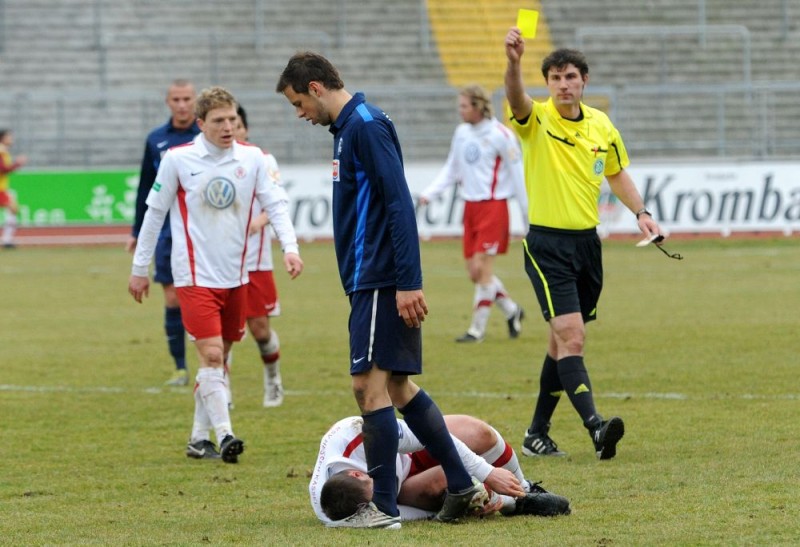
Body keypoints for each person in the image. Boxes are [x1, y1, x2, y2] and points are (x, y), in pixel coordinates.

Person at [276, 52, 487, 528]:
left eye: (296, 103)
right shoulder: (350, 129)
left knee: (367, 388)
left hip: (379, 277)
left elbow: (398, 204)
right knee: (396, 386)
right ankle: (460, 484)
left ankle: (385, 509)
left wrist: (407, 282)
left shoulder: (365, 126)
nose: (299, 115)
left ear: (314, 87)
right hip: (367, 278)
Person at [504, 28, 665, 460]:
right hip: (547, 246)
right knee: (572, 337)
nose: (562, 84)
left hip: (586, 246)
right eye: (554, 78)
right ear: (547, 84)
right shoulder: (536, 119)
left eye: (570, 76)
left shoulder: (602, 124)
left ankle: (536, 432)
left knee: (561, 343)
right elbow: (517, 100)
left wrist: (642, 213)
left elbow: (616, 173)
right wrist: (515, 62)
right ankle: (596, 427)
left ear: (584, 81)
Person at [128, 86, 304, 463]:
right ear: (201, 123)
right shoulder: (178, 160)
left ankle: (197, 438)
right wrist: (139, 269)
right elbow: (154, 215)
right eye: (219, 121)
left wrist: (290, 248)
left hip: (237, 276)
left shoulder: (253, 158)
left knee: (220, 357)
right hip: (193, 276)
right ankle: (225, 435)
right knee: (210, 355)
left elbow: (275, 204)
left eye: (232, 120)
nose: (227, 127)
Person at [310, 414, 571, 526]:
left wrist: (488, 473)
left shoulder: (362, 433)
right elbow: (392, 516)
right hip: (410, 490)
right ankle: (514, 505)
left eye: (378, 490)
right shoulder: (335, 510)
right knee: (456, 486)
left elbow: (433, 435)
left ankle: (524, 490)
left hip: (407, 453)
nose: (382, 494)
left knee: (479, 433)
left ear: (357, 473)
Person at [419, 85, 528, 343]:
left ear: (479, 107)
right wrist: (431, 193)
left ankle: (476, 330)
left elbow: (518, 177)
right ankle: (513, 311)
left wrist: (527, 221)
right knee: (473, 273)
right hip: (470, 209)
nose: (461, 111)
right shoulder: (462, 133)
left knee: (483, 269)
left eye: (464, 106)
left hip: (494, 207)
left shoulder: (502, 135)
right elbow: (451, 168)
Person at [126, 80, 201, 387]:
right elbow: (147, 188)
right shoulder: (156, 139)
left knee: (205, 297)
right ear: (168, 102)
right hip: (169, 232)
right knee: (172, 298)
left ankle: (212, 361)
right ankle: (181, 367)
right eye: (176, 99)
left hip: (203, 230)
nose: (182, 104)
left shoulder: (207, 135)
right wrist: (136, 231)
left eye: (187, 99)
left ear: (195, 101)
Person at [233, 105, 288, 408]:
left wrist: (260, 221)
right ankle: (220, 393)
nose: (232, 129)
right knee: (219, 334)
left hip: (255, 262)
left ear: (246, 129)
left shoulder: (263, 160)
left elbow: (277, 201)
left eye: (237, 124)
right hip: (219, 264)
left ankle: (273, 379)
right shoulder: (210, 161)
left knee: (260, 331)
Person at [0, 129, 27, 249]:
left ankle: (7, 240)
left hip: (2, 188)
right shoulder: (1, 151)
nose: (11, 139)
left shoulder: (4, 151)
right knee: (13, 208)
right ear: (3, 138)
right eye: (9, 137)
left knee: (13, 209)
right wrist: (18, 163)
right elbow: (3, 169)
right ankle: (7, 240)